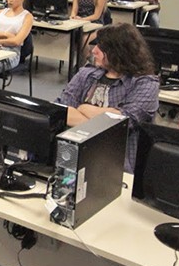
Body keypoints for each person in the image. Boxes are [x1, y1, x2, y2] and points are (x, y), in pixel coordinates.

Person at [57, 23, 159, 173]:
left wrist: (82, 108)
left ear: (118, 51)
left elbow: (124, 121)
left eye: (101, 47)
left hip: (115, 165)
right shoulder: (86, 74)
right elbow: (60, 110)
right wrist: (103, 123)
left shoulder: (145, 84)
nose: (94, 51)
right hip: (71, 156)